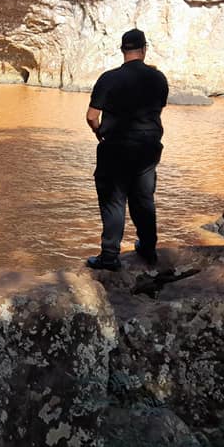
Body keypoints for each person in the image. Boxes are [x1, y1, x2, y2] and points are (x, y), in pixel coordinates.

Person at [85, 28, 169, 271]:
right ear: (144, 49)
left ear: (123, 50)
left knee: (114, 201)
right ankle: (149, 248)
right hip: (148, 149)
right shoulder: (159, 78)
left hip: (116, 147)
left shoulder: (109, 78)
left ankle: (110, 256)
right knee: (143, 199)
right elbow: (156, 112)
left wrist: (98, 131)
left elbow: (92, 116)